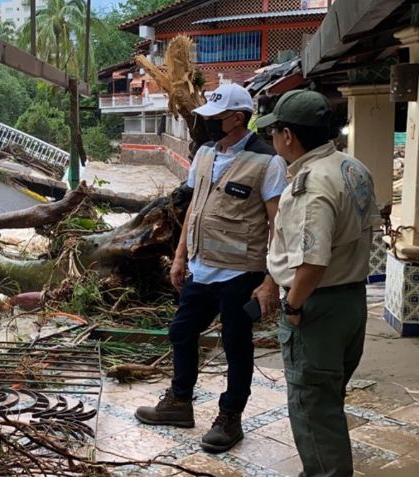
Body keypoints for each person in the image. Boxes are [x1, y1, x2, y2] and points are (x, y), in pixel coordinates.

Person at [134, 83, 288, 453]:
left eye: (215, 118)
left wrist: (270, 282)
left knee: (237, 346)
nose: (206, 125)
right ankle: (179, 402)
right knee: (181, 332)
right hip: (200, 270)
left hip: (241, 273)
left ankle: (230, 417)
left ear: (238, 119)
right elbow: (194, 209)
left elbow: (279, 225)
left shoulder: (268, 163)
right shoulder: (204, 154)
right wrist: (182, 255)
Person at [255, 90, 377, 477]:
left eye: (274, 131)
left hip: (317, 307)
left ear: (287, 136)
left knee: (312, 407)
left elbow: (312, 262)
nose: (273, 140)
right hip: (351, 302)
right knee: (327, 398)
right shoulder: (352, 168)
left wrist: (291, 304)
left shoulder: (313, 186)